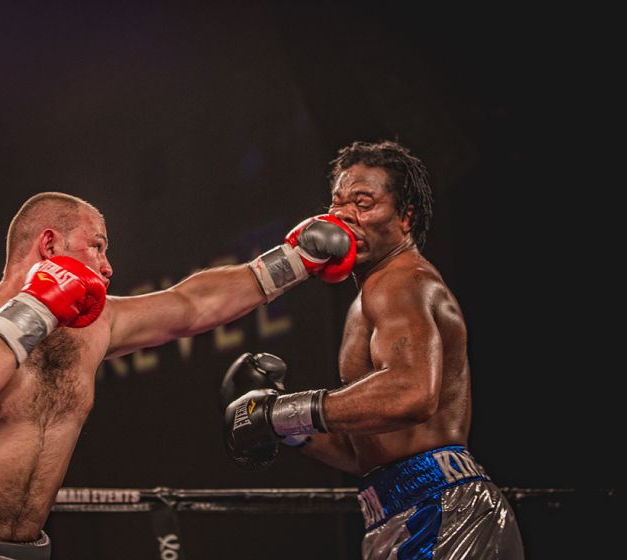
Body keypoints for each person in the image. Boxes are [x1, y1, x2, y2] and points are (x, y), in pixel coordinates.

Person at [0, 191, 355, 559]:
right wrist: (36, 305)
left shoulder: (91, 331)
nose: (108, 267)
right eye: (96, 246)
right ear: (49, 244)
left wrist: (294, 260)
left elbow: (190, 304)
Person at [221, 140, 525, 559]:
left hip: (441, 512)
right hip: (400, 511)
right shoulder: (370, 296)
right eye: (338, 203)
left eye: (363, 203)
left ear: (405, 217)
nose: (345, 214)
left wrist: (280, 412)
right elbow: (362, 452)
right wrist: (286, 429)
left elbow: (411, 394)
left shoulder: (401, 281)